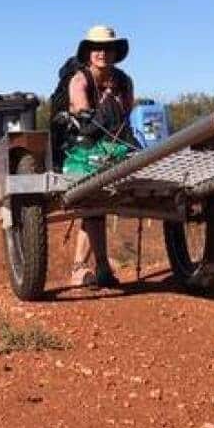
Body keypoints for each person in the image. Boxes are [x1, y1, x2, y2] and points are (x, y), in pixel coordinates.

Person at [63, 25, 134, 288]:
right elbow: (83, 114)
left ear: (116, 52)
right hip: (84, 150)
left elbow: (127, 114)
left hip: (117, 148)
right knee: (93, 201)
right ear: (89, 52)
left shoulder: (124, 81)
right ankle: (89, 266)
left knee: (97, 204)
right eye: (97, 48)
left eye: (108, 48)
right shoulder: (80, 80)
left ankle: (94, 267)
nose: (102, 53)